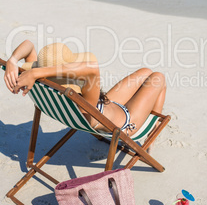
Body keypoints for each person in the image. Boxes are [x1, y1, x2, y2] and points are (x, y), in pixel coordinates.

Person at [4, 40, 166, 137]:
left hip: (106, 108)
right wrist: (37, 71)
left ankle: (154, 125)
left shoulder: (41, 82)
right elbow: (92, 68)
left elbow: (29, 45)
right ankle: (153, 128)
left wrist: (13, 60)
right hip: (124, 123)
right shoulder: (84, 100)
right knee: (159, 78)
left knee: (146, 72)